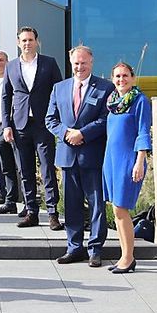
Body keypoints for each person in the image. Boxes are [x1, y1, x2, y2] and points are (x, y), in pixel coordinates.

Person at [46, 46, 115, 267]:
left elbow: (106, 119)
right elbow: (50, 119)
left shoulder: (105, 88)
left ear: (91, 63)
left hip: (92, 155)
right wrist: (66, 133)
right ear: (70, 63)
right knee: (71, 204)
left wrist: (83, 134)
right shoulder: (59, 88)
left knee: (96, 205)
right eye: (76, 63)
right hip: (67, 155)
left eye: (83, 63)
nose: (79, 67)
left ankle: (95, 249)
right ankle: (74, 247)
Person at [1, 26, 64, 229]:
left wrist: (58, 121)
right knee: (25, 171)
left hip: (43, 125)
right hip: (20, 125)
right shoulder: (11, 66)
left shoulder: (49, 63)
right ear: (18, 43)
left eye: (30, 40)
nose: (27, 43)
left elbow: (59, 92)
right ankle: (31, 212)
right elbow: (6, 96)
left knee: (47, 169)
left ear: (37, 41)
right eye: (23, 40)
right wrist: (6, 125)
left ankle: (53, 213)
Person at [102, 61, 152, 273]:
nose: (121, 80)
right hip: (111, 160)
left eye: (125, 76)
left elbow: (143, 131)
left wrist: (139, 160)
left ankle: (128, 257)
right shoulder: (113, 101)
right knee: (115, 209)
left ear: (132, 78)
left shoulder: (139, 101)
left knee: (121, 208)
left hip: (128, 160)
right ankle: (124, 255)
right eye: (117, 76)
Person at [0, 50, 21, 210]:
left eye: (1, 60)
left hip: (14, 125)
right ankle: (10, 201)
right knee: (5, 166)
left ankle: (28, 203)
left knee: (21, 165)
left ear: (7, 62)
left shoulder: (14, 80)